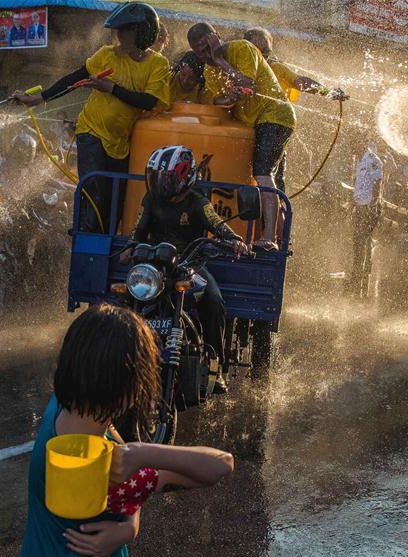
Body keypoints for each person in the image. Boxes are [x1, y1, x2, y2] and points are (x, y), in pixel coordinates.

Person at [11, 304, 235, 557]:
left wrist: (128, 526)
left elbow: (129, 499)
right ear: (126, 386)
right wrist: (143, 454)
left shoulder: (61, 409)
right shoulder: (110, 467)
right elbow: (222, 465)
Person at [12, 3, 170, 234]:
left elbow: (149, 102)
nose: (118, 36)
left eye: (124, 31)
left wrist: (110, 88)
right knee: (94, 187)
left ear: (141, 32)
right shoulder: (107, 55)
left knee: (116, 199)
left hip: (120, 143)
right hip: (91, 131)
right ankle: (85, 234)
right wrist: (39, 98)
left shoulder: (158, 64)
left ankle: (102, 243)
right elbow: (74, 79)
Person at [125, 145, 250, 394]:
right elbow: (138, 230)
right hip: (156, 267)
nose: (160, 182)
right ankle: (124, 357)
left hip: (189, 267)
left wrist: (234, 239)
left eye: (167, 178)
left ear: (184, 177)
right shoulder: (150, 200)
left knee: (213, 301)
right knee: (129, 298)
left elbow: (217, 224)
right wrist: (130, 247)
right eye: (157, 176)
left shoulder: (198, 203)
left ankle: (217, 369)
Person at [187, 22, 295, 251]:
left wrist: (220, 60)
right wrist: (225, 99)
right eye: (200, 52)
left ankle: (269, 238)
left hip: (275, 115)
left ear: (217, 36)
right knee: (266, 174)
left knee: (263, 173)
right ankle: (281, 238)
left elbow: (247, 84)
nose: (206, 55)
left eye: (209, 46)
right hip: (256, 123)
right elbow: (218, 101)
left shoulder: (241, 48)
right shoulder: (208, 70)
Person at [242, 27, 346, 193]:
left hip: (272, 125)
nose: (263, 56)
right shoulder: (241, 68)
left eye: (266, 51)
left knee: (267, 174)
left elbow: (300, 82)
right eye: (257, 51)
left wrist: (329, 92)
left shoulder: (273, 67)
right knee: (270, 175)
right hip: (258, 127)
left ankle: (276, 215)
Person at [348, 141, 383, 298]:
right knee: (358, 240)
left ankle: (362, 279)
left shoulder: (373, 159)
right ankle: (358, 276)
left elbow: (377, 182)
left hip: (368, 206)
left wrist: (374, 204)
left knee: (362, 240)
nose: (351, 145)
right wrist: (352, 205)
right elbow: (358, 185)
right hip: (360, 205)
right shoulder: (360, 160)